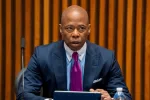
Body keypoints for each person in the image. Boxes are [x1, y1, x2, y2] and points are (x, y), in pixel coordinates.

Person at [17, 5, 132, 100]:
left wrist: (111, 99)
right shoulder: (42, 55)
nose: (76, 34)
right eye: (69, 28)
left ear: (89, 29)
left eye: (81, 28)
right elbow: (24, 94)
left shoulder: (106, 58)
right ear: (61, 29)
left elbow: (124, 96)